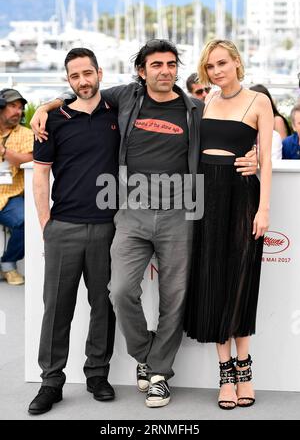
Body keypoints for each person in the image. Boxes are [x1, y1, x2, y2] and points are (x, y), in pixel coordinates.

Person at [30, 39, 258, 409]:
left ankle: (158, 376)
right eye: (156, 65)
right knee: (118, 290)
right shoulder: (126, 98)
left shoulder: (195, 107)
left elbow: (235, 129)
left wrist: (255, 157)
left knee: (175, 298)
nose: (164, 71)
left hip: (179, 214)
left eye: (171, 64)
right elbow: (85, 90)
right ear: (142, 70)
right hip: (130, 213)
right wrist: (47, 104)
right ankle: (147, 354)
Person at [28, 48, 119, 416]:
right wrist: (46, 226)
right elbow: (40, 176)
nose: (83, 81)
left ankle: (97, 374)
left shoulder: (118, 111)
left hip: (108, 227)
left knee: (103, 305)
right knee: (57, 308)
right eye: (74, 76)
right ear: (68, 80)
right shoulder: (51, 121)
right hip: (63, 226)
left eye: (88, 73)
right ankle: (51, 381)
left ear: (99, 72)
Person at [184, 40, 273, 410]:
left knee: (240, 280)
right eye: (210, 66)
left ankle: (245, 372)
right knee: (213, 280)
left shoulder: (259, 102)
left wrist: (263, 208)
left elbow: (265, 159)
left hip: (242, 197)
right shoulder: (207, 102)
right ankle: (225, 375)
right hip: (208, 196)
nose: (216, 71)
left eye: (222, 63)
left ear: (237, 62)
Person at [0, 89, 33, 285]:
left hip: (10, 197)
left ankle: (8, 264)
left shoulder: (26, 134)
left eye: (20, 108)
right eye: (12, 106)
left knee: (26, 220)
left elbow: (27, 160)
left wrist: (4, 151)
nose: (17, 112)